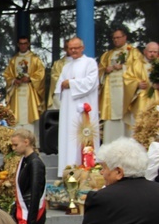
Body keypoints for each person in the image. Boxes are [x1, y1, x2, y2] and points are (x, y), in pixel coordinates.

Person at [54, 37, 100, 175]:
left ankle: (87, 168)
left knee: (84, 137)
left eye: (76, 48)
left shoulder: (90, 63)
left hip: (83, 108)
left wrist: (72, 84)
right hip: (68, 110)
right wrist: (66, 83)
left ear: (82, 48)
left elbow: (91, 82)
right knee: (68, 136)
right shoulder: (66, 66)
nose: (73, 51)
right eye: (70, 48)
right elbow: (60, 85)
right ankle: (67, 170)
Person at [98, 28, 144, 142]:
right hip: (111, 92)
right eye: (114, 38)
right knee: (111, 122)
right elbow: (99, 72)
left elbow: (139, 71)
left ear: (125, 37)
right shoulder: (107, 55)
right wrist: (105, 70)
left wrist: (123, 67)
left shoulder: (133, 53)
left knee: (127, 121)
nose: (116, 40)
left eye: (118, 37)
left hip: (126, 93)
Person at [3, 36, 46, 133]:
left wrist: (30, 78)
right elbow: (7, 75)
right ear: (18, 45)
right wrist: (14, 80)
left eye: (25, 43)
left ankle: (32, 143)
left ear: (28, 44)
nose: (23, 46)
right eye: (21, 44)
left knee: (30, 119)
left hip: (30, 92)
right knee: (16, 119)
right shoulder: (14, 60)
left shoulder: (35, 59)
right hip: (17, 92)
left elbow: (41, 74)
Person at [125, 41, 159, 118]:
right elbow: (127, 78)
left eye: (155, 52)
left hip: (157, 99)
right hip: (141, 99)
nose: (152, 54)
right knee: (141, 123)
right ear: (144, 51)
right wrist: (137, 84)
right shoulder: (136, 64)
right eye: (150, 51)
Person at [48, 40, 71, 109]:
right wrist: (66, 83)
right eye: (67, 47)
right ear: (64, 48)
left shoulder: (82, 63)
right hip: (62, 93)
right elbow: (54, 77)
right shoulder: (58, 64)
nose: (70, 49)